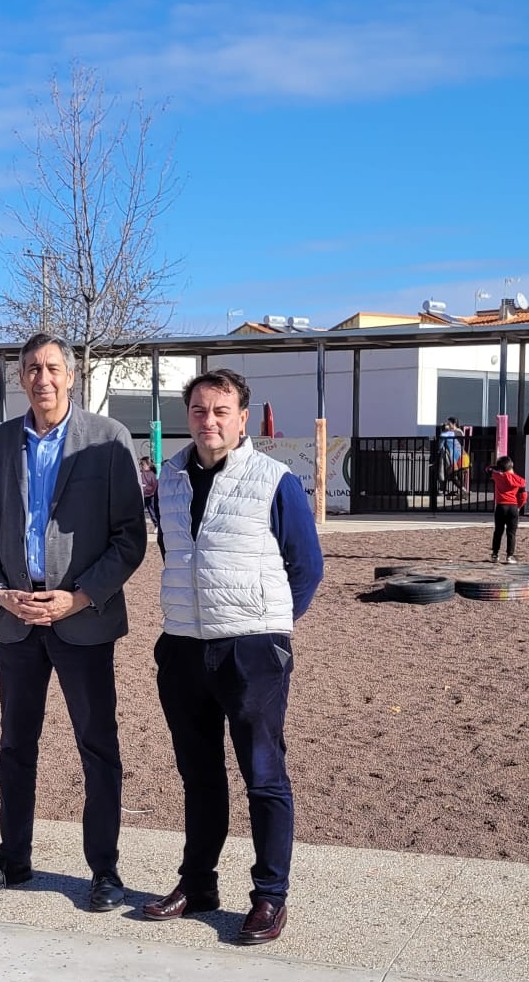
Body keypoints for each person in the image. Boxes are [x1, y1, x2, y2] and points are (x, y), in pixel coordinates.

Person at [0, 332, 147, 913]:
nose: (42, 378)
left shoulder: (108, 439)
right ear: (20, 378)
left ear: (71, 375)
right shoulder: (0, 443)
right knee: (15, 746)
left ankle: (104, 871)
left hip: (81, 619)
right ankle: (13, 858)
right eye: (31, 369)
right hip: (17, 620)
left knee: (97, 747)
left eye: (51, 368)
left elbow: (129, 538)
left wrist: (79, 597)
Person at [142, 368, 323, 946]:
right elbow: (175, 552)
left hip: (252, 650)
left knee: (263, 777)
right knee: (198, 775)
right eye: (199, 410)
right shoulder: (170, 480)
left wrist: (271, 628)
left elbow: (307, 566)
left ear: (242, 419)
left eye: (221, 411)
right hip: (183, 647)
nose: (209, 420)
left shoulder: (275, 480)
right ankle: (198, 883)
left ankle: (270, 895)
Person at [487, 455, 527, 563]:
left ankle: (495, 554)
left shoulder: (497, 476)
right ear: (511, 465)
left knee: (498, 531)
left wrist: (496, 468)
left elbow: (488, 469)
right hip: (513, 506)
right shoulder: (520, 480)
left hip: (501, 506)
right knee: (511, 533)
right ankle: (509, 556)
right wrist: (519, 506)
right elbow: (523, 496)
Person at [138, 455, 160, 528]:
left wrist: (149, 491)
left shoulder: (151, 474)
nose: (141, 466)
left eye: (143, 464)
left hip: (150, 496)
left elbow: (154, 485)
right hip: (144, 495)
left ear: (148, 465)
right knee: (139, 511)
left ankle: (157, 524)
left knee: (152, 511)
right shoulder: (141, 473)